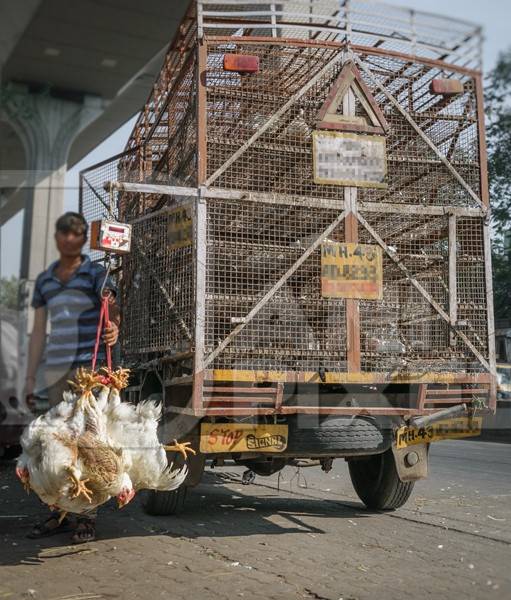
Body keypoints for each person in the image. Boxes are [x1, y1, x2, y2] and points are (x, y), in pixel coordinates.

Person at [24, 211, 120, 543]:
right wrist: (28, 377)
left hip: (87, 372)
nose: (70, 239)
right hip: (54, 372)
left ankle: (86, 516)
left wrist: (114, 326)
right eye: (64, 233)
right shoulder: (45, 281)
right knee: (53, 443)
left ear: (83, 240)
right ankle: (58, 511)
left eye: (76, 233)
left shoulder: (96, 274)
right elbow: (38, 332)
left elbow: (111, 303)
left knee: (87, 445)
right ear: (58, 239)